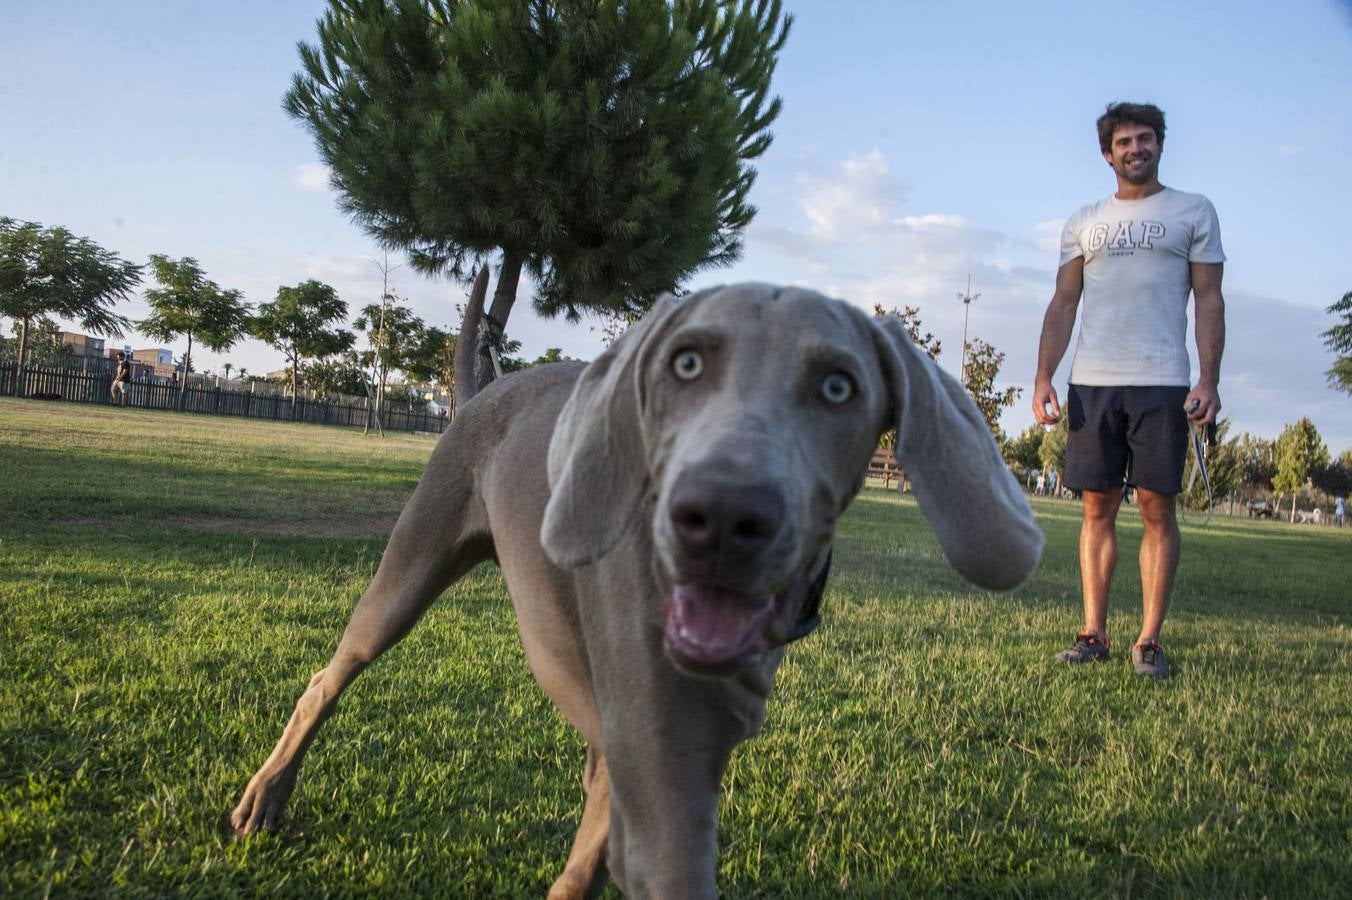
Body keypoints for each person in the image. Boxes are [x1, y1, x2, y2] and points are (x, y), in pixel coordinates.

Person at [1032, 102, 1226, 680]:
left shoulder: (1193, 211)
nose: (1136, 148)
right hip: (1093, 382)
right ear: (1107, 152)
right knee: (1096, 508)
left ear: (1160, 144)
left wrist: (1208, 377)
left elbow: (1209, 300)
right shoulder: (1084, 221)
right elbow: (1064, 302)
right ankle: (1093, 633)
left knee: (1157, 508)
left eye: (1145, 138)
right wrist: (1044, 373)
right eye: (1124, 141)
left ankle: (1149, 642)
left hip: (1162, 380)